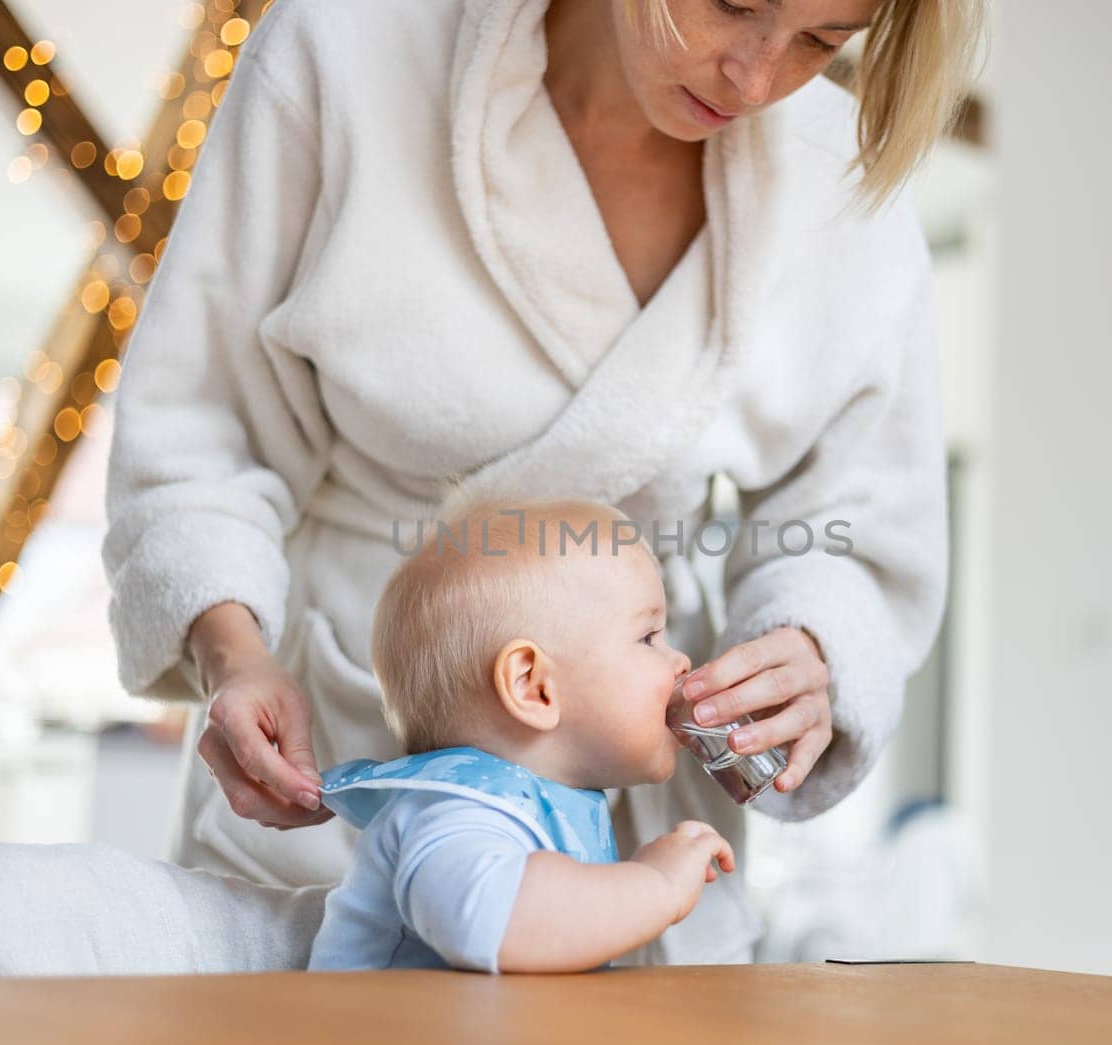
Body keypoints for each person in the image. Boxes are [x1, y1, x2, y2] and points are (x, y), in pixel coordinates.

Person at [101, 0, 983, 965]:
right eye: (733, 5)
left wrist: (806, 649)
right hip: (336, 742)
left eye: (824, 40)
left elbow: (856, 524)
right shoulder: (346, 53)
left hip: (639, 793)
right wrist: (235, 657)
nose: (759, 78)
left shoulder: (843, 186)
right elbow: (201, 425)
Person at [308, 495, 737, 973]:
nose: (680, 662)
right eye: (648, 638)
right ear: (533, 686)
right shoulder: (459, 811)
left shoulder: (529, 804)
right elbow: (492, 920)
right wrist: (655, 884)